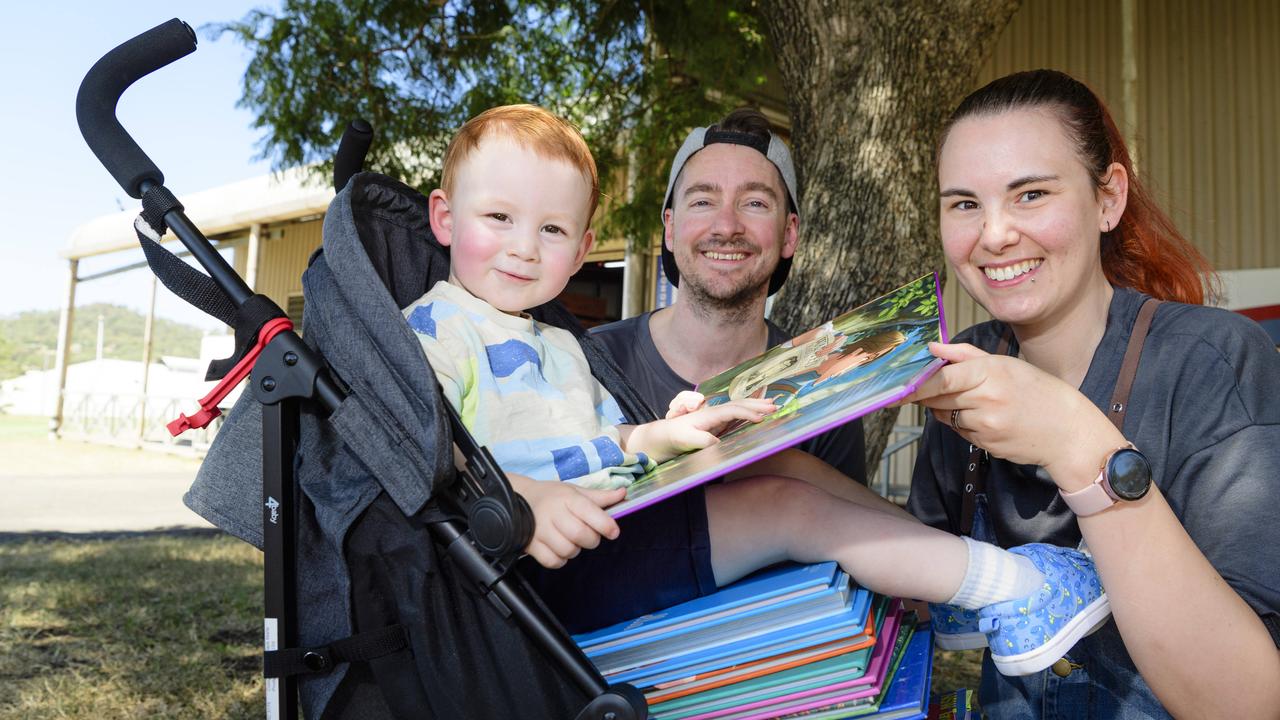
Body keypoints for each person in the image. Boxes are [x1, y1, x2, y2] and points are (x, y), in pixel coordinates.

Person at [406, 103, 1114, 677]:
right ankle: (1012, 585)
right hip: (533, 569)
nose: (524, 247)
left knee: (777, 465)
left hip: (622, 531)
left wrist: (662, 433)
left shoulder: (558, 344)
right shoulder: (438, 328)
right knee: (785, 508)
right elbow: (417, 444)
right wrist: (525, 497)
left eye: (551, 229)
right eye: (499, 219)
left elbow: (599, 439)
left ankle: (945, 586)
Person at [905, 69, 1280, 717]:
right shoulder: (965, 364)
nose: (993, 234)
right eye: (964, 203)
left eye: (1030, 194)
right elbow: (920, 580)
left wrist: (1073, 439)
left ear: (1108, 199)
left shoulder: (1211, 361)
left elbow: (1246, 701)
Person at [590, 109, 867, 486]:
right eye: (703, 201)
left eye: (754, 203)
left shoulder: (823, 387)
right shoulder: (591, 364)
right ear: (670, 228)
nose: (726, 226)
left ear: (789, 233)